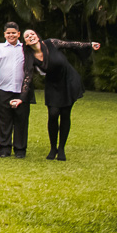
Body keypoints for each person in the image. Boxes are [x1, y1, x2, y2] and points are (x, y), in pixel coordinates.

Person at [22, 30, 99, 161]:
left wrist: (89, 44)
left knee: (65, 114)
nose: (31, 37)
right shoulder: (30, 56)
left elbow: (70, 44)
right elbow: (28, 76)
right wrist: (22, 97)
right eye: (27, 36)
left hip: (69, 80)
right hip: (52, 84)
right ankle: (53, 148)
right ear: (26, 42)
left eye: (32, 34)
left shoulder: (51, 43)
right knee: (53, 113)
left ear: (37, 36)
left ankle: (61, 149)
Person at [0, 22, 31, 158]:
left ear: (19, 34)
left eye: (14, 33)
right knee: (4, 120)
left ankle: (20, 150)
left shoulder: (25, 48)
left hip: (21, 90)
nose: (11, 35)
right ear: (4, 34)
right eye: (8, 33)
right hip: (3, 89)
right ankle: (5, 148)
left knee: (21, 121)